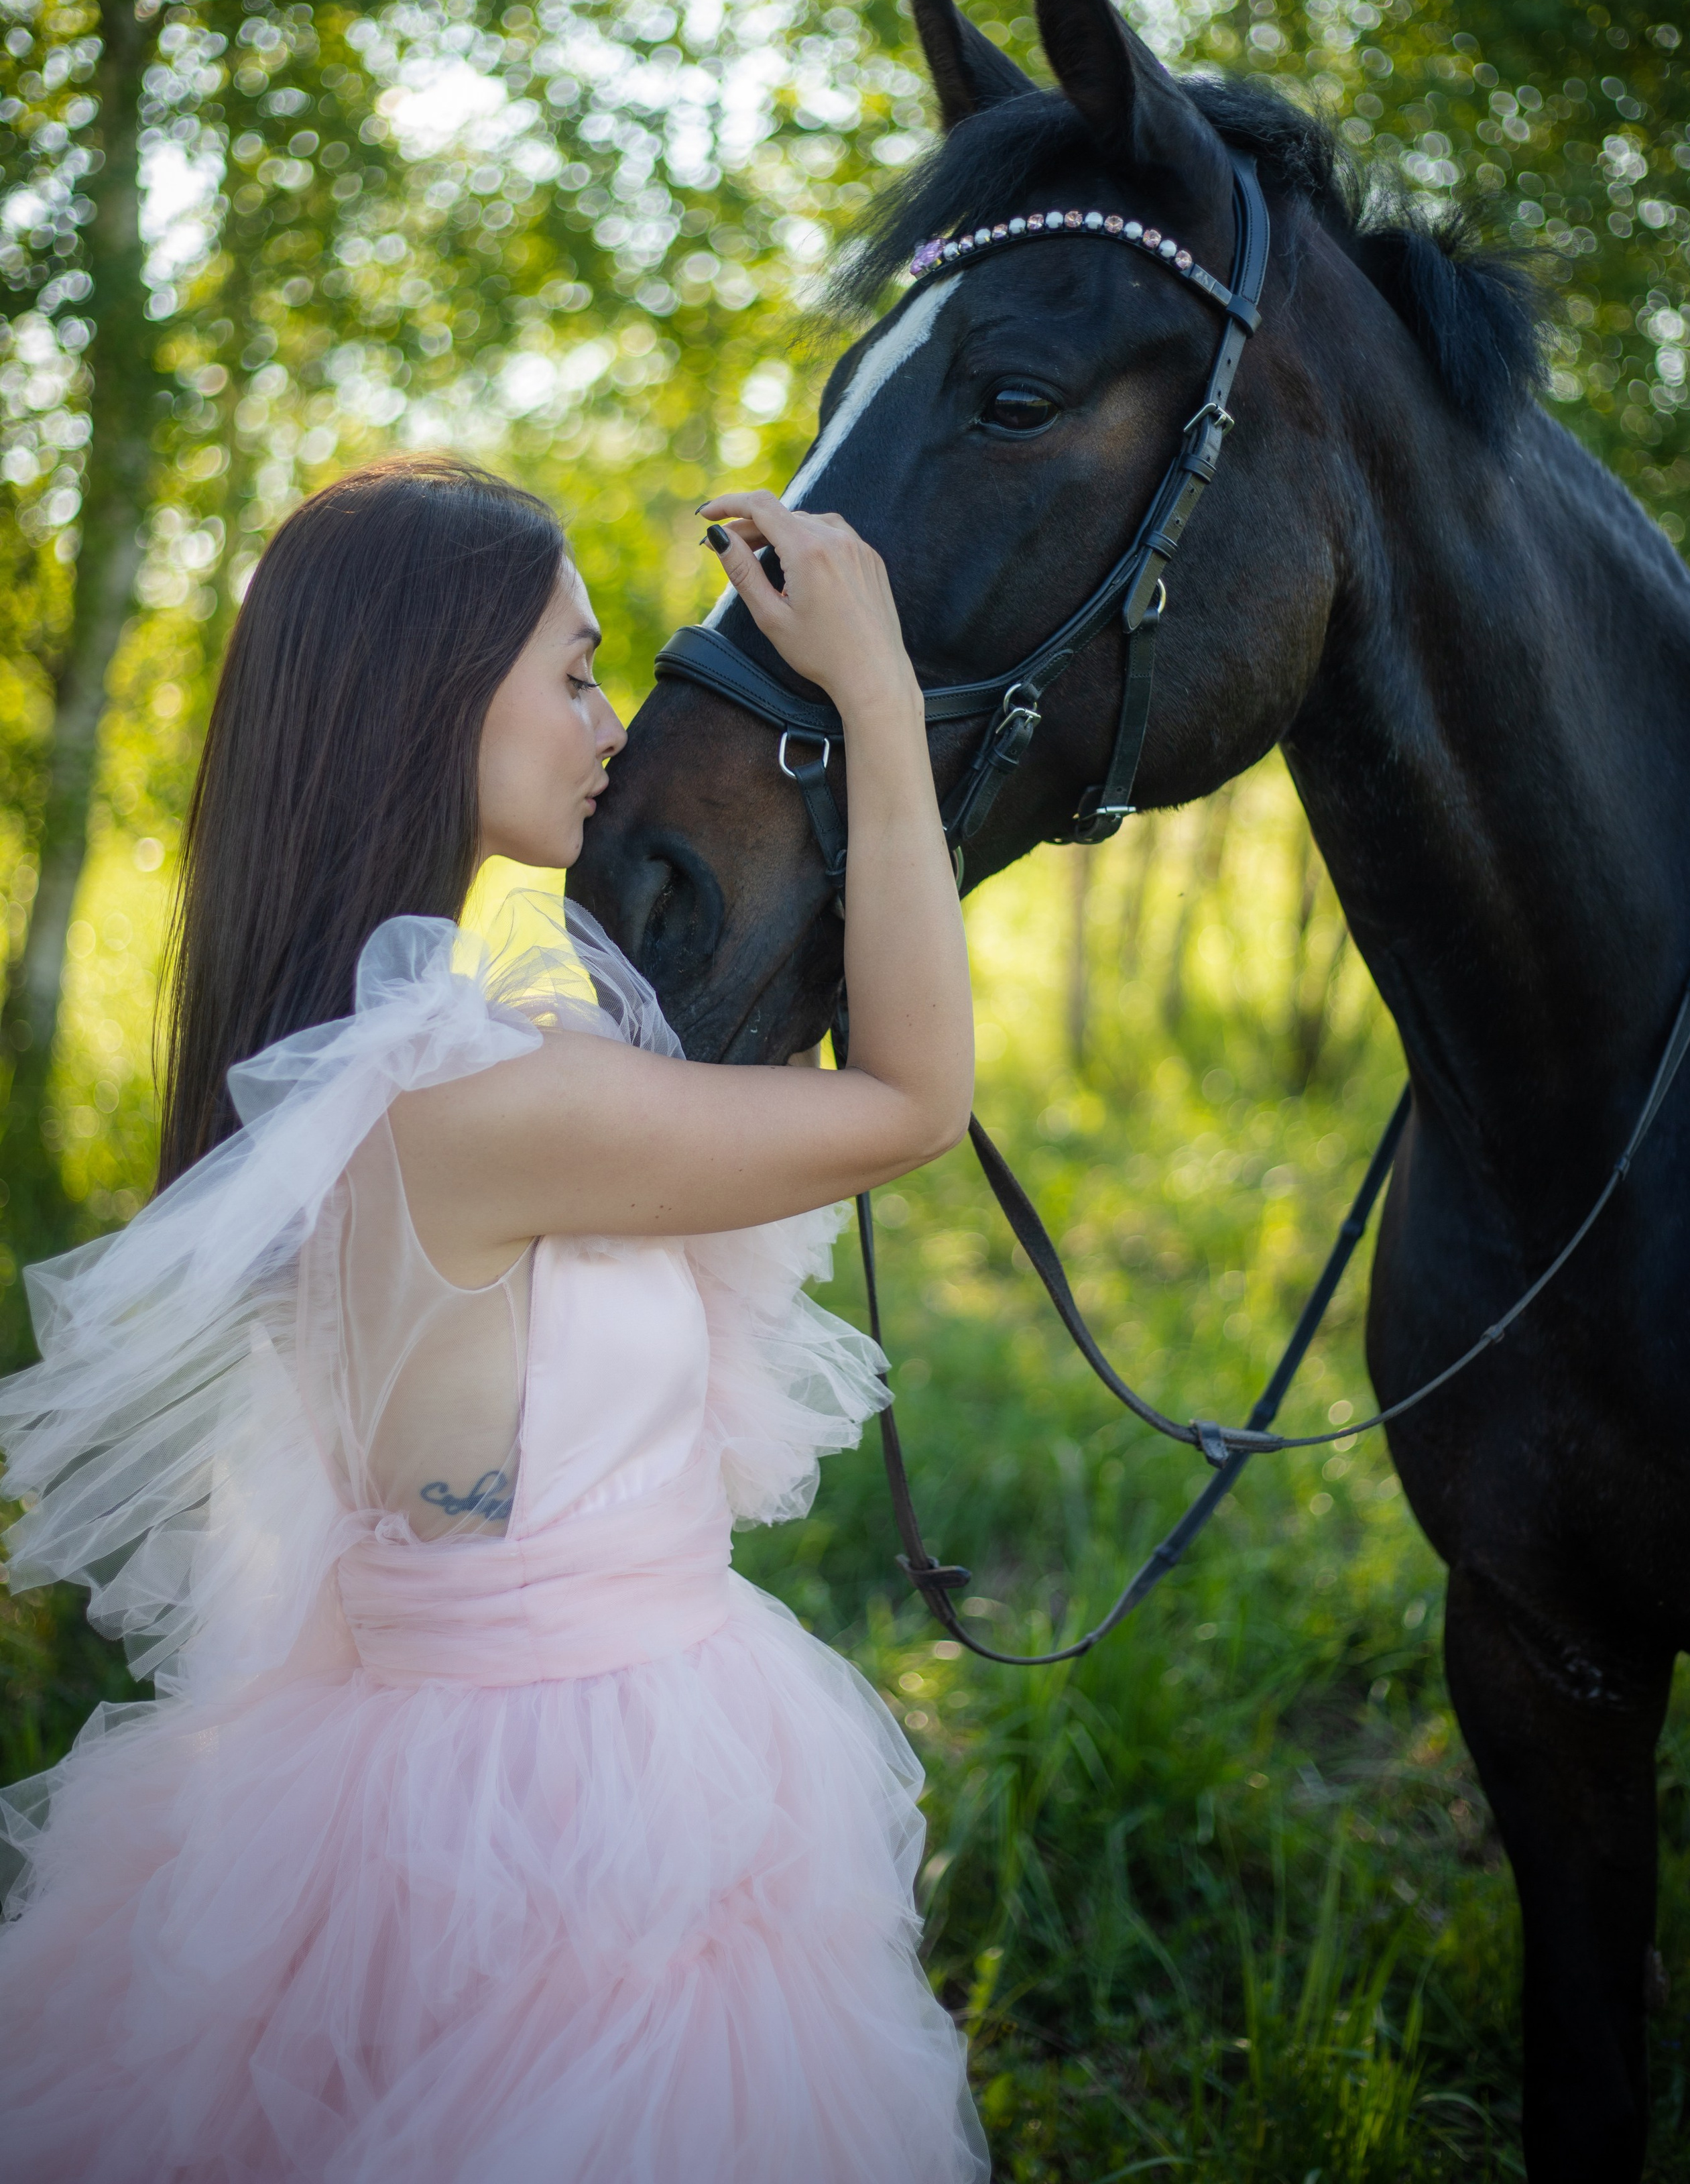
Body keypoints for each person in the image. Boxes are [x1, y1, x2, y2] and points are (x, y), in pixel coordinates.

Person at [0, 456, 986, 2183]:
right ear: (440, 703)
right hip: (572, 1814)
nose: (612, 723)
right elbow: (911, 1106)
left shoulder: (363, 1066)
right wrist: (882, 701)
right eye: (578, 670)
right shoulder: (487, 1101)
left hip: (412, 1764)